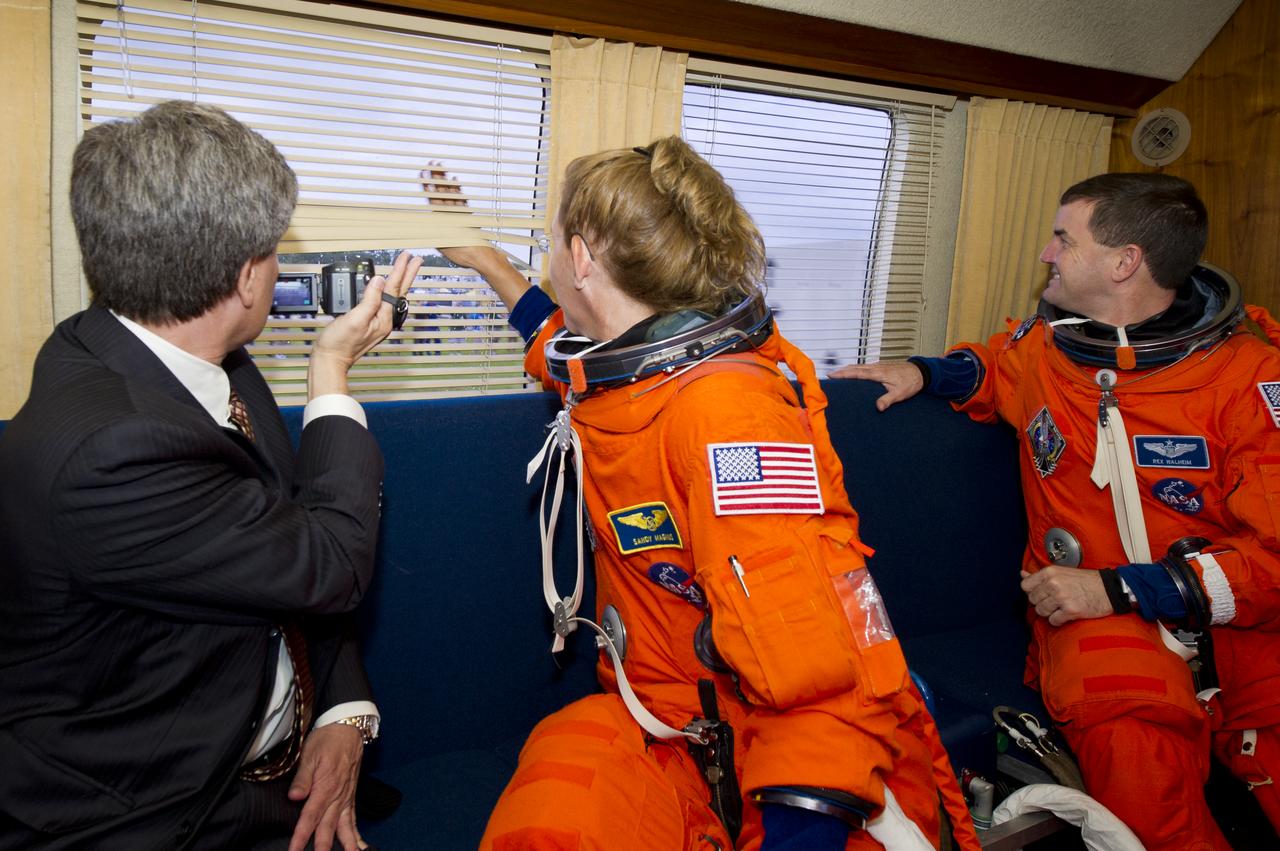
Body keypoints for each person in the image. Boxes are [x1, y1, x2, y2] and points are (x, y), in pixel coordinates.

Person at [426, 139, 980, 850]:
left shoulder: (728, 415)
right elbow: (561, 350)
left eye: (548, 246)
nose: (549, 263)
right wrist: (484, 260)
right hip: (665, 717)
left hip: (786, 754)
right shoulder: (631, 372)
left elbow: (819, 671)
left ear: (583, 258)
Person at [0, 100, 422, 851]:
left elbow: (280, 533)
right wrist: (331, 370)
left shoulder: (169, 351)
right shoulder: (113, 448)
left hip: (269, 753)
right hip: (157, 810)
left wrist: (342, 709)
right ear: (247, 276)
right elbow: (327, 562)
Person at [833, 172, 1280, 850]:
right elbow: (992, 369)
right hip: (1097, 628)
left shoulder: (1250, 381)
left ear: (1124, 262)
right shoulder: (1050, 349)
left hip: (1234, 628)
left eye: (1063, 238)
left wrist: (1123, 586)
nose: (1045, 253)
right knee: (1145, 779)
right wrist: (927, 373)